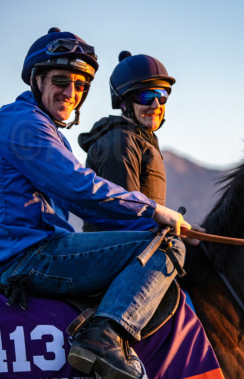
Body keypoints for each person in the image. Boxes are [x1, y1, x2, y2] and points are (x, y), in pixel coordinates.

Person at [0, 28, 196, 379]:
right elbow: (80, 188)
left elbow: (86, 206)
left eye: (80, 86)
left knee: (160, 240)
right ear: (37, 80)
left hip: (39, 248)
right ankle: (105, 338)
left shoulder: (48, 131)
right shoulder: (22, 123)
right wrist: (153, 213)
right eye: (61, 81)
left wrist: (153, 226)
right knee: (167, 249)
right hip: (29, 256)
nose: (71, 93)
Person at [78, 51, 173, 233]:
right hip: (125, 254)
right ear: (124, 103)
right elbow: (124, 216)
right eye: (146, 96)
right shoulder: (120, 143)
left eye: (162, 96)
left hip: (142, 245)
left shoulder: (139, 139)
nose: (156, 105)